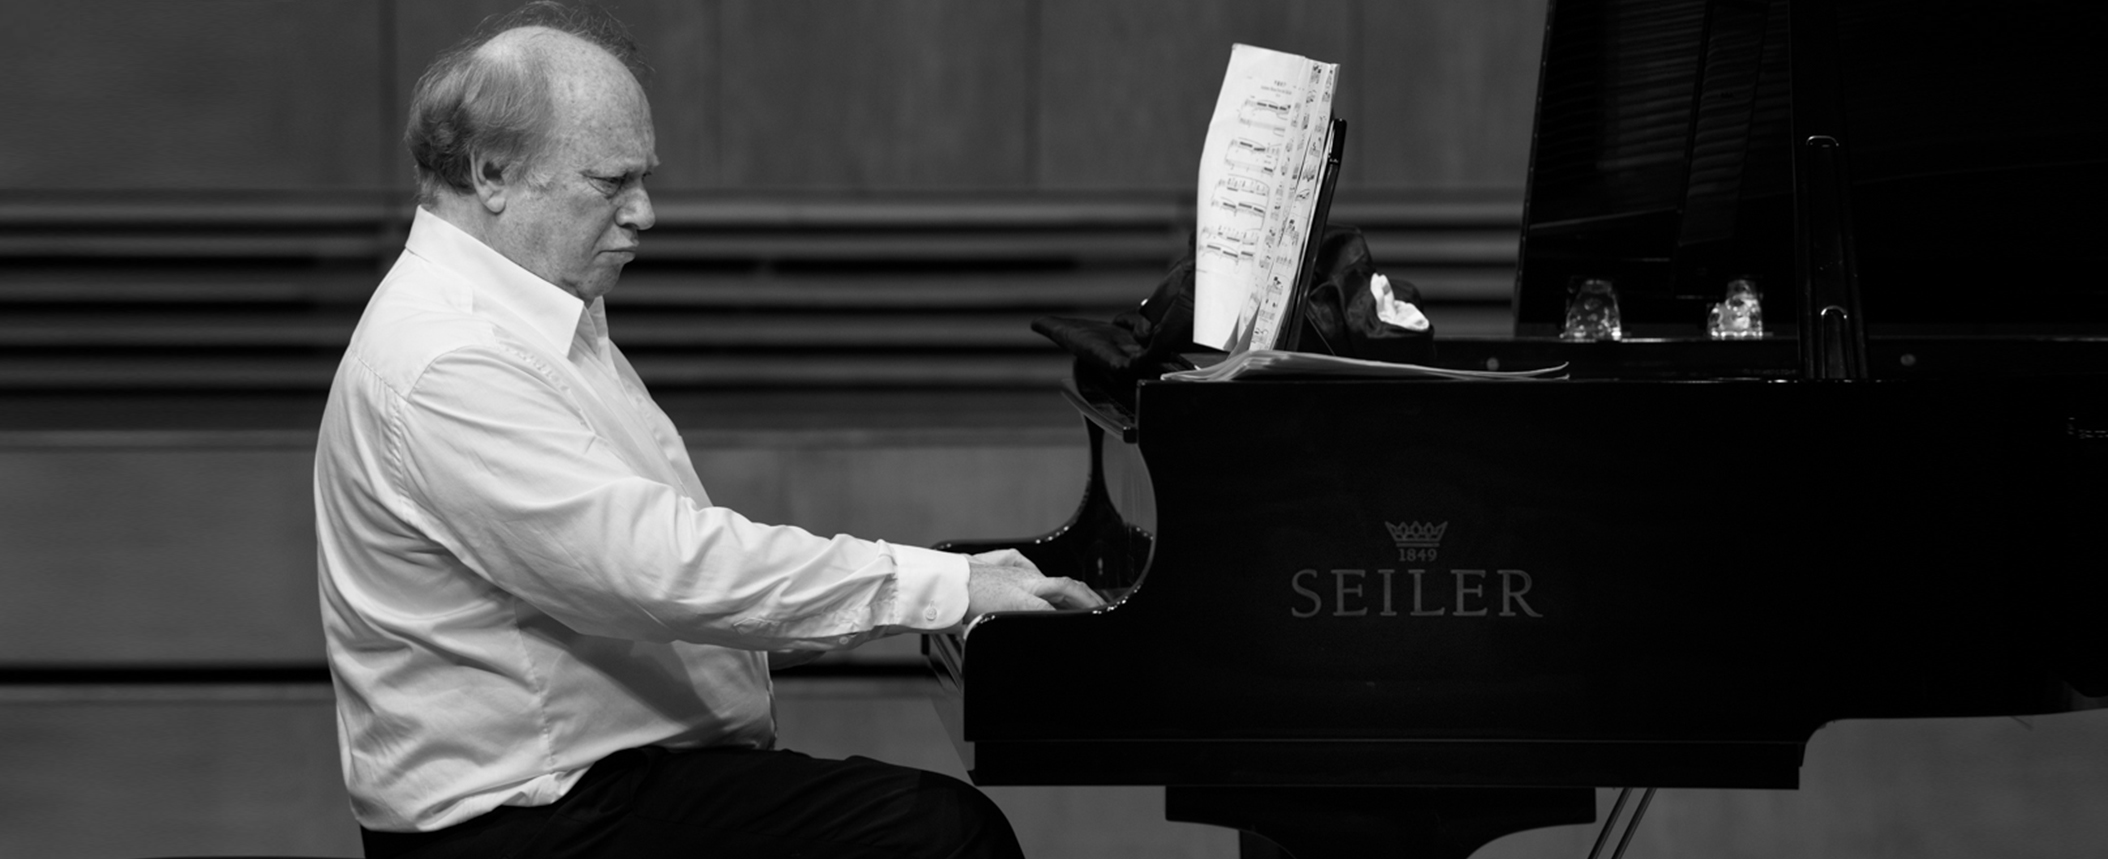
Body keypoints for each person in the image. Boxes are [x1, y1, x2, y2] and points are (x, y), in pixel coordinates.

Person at [313, 4, 1102, 857]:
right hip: (527, 821)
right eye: (612, 183)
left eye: (643, 178)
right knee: (941, 837)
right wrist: (943, 586)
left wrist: (923, 594)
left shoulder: (535, 313)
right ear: (492, 172)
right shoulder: (449, 360)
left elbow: (662, 578)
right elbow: (661, 569)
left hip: (595, 789)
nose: (644, 212)